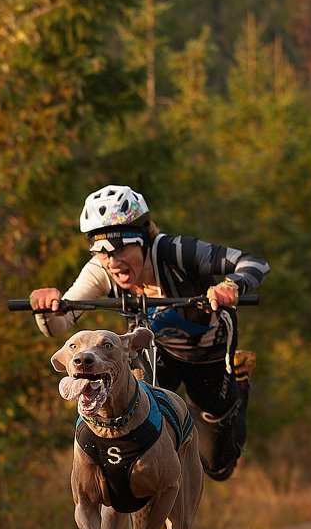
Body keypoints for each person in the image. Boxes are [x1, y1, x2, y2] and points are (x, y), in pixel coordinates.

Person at [30, 185, 269, 481]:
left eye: (121, 248)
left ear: (144, 239)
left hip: (206, 353)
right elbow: (60, 324)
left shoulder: (177, 251)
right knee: (137, 414)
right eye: (101, 251)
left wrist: (231, 285)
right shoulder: (100, 269)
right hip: (156, 351)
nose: (112, 261)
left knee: (217, 466)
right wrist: (46, 309)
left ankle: (240, 383)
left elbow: (255, 263)